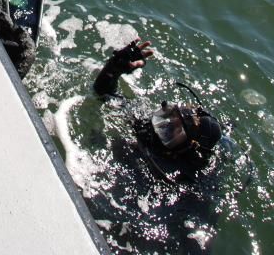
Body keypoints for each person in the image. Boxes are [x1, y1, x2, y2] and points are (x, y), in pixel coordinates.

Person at [74, 38, 226, 253]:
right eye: (168, 116)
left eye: (175, 131)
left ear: (189, 150)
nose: (161, 127)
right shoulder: (147, 130)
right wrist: (115, 67)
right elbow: (104, 94)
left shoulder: (190, 191)